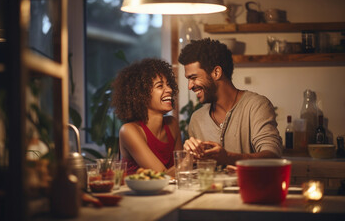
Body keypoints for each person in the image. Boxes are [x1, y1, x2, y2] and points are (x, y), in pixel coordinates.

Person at [178, 38, 283, 166]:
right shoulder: (197, 119)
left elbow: (273, 156)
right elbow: (196, 172)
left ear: (216, 72)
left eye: (193, 78)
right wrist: (190, 157)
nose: (190, 86)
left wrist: (228, 157)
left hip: (250, 186)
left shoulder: (256, 106)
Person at [111, 58, 182, 176]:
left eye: (169, 85)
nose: (169, 90)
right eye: (160, 86)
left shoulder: (172, 124)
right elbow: (161, 176)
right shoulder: (129, 131)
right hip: (137, 194)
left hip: (167, 193)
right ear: (141, 94)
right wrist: (192, 158)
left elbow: (181, 171)